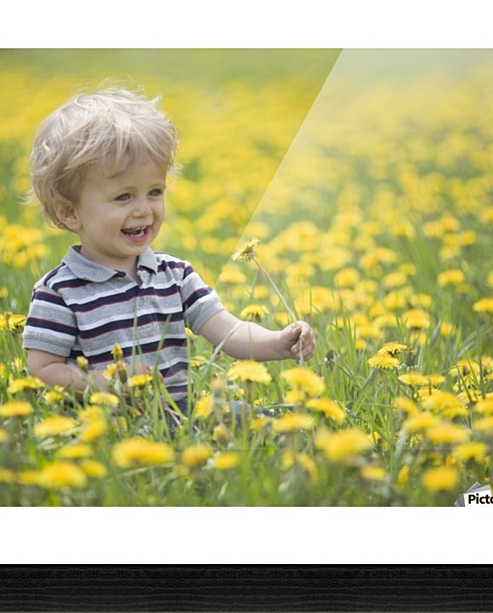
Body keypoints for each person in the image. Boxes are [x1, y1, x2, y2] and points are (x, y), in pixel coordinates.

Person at [22, 86, 315, 418]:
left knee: (253, 416)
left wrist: (278, 342)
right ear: (69, 212)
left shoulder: (174, 276)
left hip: (182, 415)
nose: (144, 210)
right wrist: (108, 384)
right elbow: (43, 367)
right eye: (123, 197)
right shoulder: (59, 292)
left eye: (154, 191)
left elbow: (227, 330)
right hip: (107, 426)